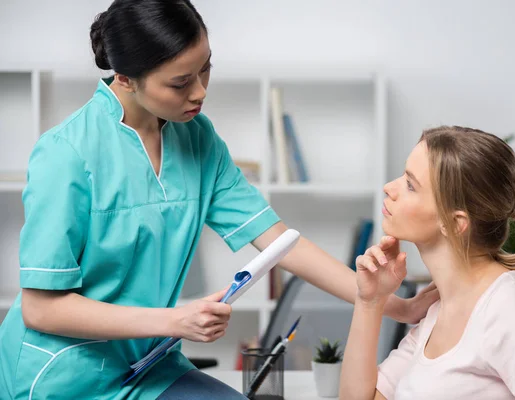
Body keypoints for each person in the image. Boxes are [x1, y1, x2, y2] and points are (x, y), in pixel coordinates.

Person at [0, 1, 439, 399]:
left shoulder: (198, 138)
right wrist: (174, 321)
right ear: (126, 78)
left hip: (148, 366)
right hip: (62, 376)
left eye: (205, 70)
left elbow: (280, 241)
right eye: (180, 82)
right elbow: (41, 308)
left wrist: (396, 306)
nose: (199, 92)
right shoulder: (67, 154)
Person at [339, 126, 515, 400]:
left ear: (454, 223)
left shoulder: (511, 308)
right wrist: (370, 301)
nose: (389, 188)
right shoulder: (439, 309)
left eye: (410, 185)